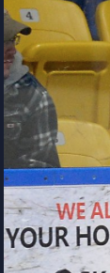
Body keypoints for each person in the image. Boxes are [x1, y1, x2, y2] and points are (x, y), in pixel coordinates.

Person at [4, 11, 60, 170]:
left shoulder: (30, 93)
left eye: (12, 40)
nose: (11, 50)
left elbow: (40, 174)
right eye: (2, 41)